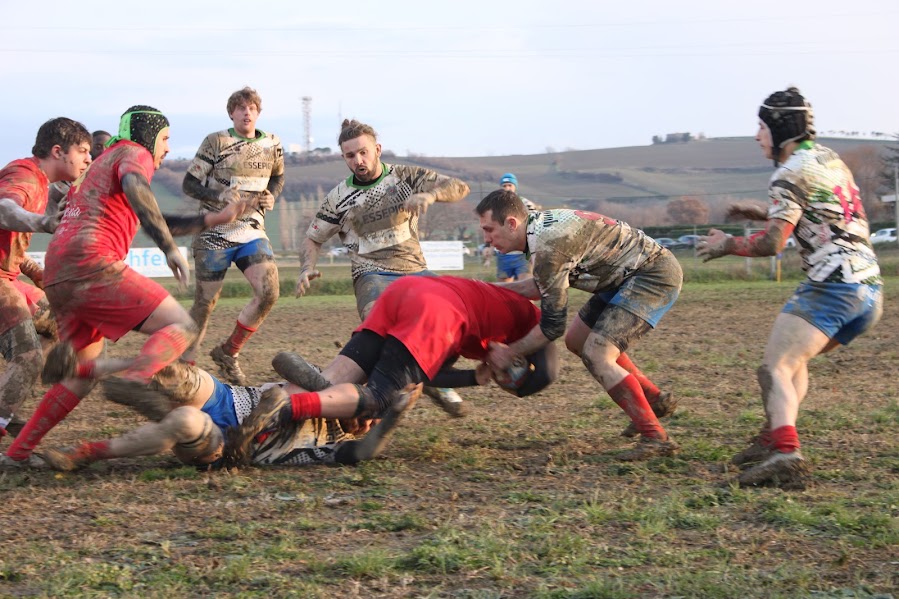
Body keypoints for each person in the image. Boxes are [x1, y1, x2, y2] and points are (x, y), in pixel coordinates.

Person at [1, 106, 249, 467]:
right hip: (91, 263)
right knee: (180, 324)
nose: (165, 150)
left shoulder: (97, 169)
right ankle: (135, 377)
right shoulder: (134, 152)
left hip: (59, 272)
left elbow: (145, 209)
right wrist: (167, 249)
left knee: (82, 373)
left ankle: (17, 452)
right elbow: (138, 191)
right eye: (164, 140)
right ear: (148, 136)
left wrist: (214, 218)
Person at [697, 87, 882, 489]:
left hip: (833, 286)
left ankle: (785, 453)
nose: (757, 136)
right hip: (868, 290)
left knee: (774, 367)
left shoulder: (787, 174)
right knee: (792, 363)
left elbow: (772, 244)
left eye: (761, 127)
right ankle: (772, 437)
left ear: (780, 130)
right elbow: (821, 214)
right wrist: (765, 212)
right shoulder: (826, 159)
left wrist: (725, 244)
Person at [477, 190, 681, 460]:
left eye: (489, 229)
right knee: (578, 341)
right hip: (624, 275)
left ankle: (655, 436)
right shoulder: (538, 230)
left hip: (650, 276)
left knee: (598, 353)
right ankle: (654, 400)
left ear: (511, 223)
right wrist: (488, 291)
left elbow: (551, 327)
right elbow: (542, 286)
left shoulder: (548, 247)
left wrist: (509, 352)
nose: (486, 239)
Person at [255, 276, 559, 455]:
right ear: (520, 355)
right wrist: (379, 411)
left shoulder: (497, 313)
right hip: (437, 310)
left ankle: (254, 402)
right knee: (377, 399)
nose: (501, 376)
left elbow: (426, 372)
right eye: (508, 373)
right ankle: (285, 409)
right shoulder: (524, 325)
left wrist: (473, 378)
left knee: (332, 381)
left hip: (407, 291)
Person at [295, 118, 472, 416]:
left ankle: (430, 377)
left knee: (450, 318)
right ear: (343, 158)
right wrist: (306, 267)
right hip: (371, 273)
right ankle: (371, 396)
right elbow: (312, 238)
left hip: (414, 270)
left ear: (377, 149)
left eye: (363, 152)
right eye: (351, 156)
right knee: (379, 323)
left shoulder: (406, 177)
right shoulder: (338, 198)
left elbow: (459, 187)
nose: (358, 160)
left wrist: (431, 194)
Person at [31, 360, 420, 471]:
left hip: (230, 442)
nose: (365, 420)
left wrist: (392, 419)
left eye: (369, 420)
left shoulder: (331, 444)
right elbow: (283, 359)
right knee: (179, 376)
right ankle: (103, 375)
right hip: (229, 396)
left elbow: (362, 453)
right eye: (368, 411)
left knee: (184, 422)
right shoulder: (335, 387)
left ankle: (88, 452)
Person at [181, 87, 285, 386]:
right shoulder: (217, 141)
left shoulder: (272, 143)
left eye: (251, 107)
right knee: (205, 304)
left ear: (258, 112)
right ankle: (185, 366)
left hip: (251, 229)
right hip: (214, 233)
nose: (246, 112)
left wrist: (272, 196)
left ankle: (229, 352)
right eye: (240, 108)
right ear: (231, 113)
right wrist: (218, 194)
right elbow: (190, 184)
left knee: (269, 292)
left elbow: (278, 176)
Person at [0, 117, 92, 441]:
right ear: (57, 151)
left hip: (7, 279)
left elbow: (9, 244)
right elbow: (4, 209)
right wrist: (43, 222)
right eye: (82, 151)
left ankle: (6, 398)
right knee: (27, 355)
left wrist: (37, 273)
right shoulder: (24, 175)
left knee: (57, 321)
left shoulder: (43, 185)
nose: (88, 159)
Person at [495, 173, 538, 282]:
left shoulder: (525, 204)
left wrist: (533, 249)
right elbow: (491, 226)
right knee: (504, 291)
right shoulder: (495, 205)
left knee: (525, 287)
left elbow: (536, 224)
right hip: (503, 253)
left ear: (515, 186)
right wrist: (488, 245)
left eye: (510, 185)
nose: (507, 188)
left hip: (522, 254)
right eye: (504, 186)